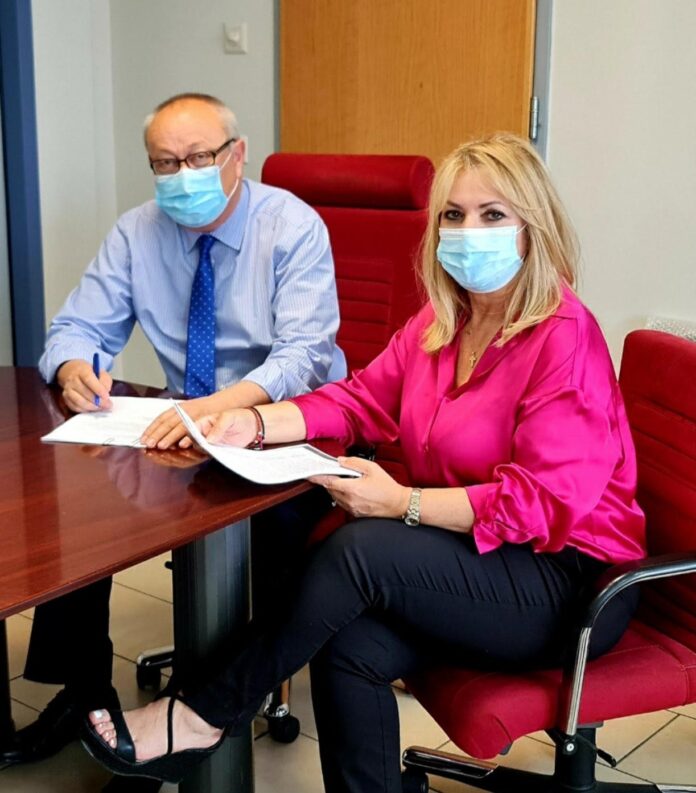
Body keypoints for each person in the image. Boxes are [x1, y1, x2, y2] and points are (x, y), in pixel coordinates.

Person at [83, 133, 646, 793]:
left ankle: (201, 712)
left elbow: (541, 505)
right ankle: (210, 718)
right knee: (349, 645)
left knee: (359, 550)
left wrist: (402, 503)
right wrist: (254, 422)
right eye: (453, 214)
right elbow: (357, 401)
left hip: (568, 581)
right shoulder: (444, 323)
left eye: (493, 214)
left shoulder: (564, 337)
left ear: (534, 227)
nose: (469, 231)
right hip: (477, 554)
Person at [2, 92, 344, 786]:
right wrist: (73, 370)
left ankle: (196, 710)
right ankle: (82, 694)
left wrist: (221, 408)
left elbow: (305, 356)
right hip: (183, 430)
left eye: (197, 157)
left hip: (285, 427)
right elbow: (75, 329)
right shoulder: (137, 233)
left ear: (237, 155)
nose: (181, 175)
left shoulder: (291, 226)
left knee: (280, 539)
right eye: (164, 163)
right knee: (76, 502)